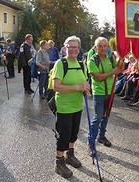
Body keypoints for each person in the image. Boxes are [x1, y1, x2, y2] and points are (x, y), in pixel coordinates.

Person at [51, 35, 90, 178]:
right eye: (70, 47)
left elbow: (84, 82)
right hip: (64, 106)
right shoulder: (61, 64)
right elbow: (56, 86)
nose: (73, 49)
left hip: (77, 105)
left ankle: (69, 155)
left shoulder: (82, 64)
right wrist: (77, 87)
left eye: (76, 47)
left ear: (79, 49)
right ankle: (59, 162)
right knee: (63, 135)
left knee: (74, 133)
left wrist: (86, 87)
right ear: (65, 48)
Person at [87, 37, 124, 149]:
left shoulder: (110, 58)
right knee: (97, 117)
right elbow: (98, 77)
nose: (103, 48)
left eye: (105, 46)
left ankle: (101, 136)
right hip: (99, 93)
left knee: (106, 116)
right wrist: (112, 71)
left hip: (110, 92)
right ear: (95, 47)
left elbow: (121, 71)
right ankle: (91, 142)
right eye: (100, 46)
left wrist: (121, 60)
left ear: (108, 47)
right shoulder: (92, 60)